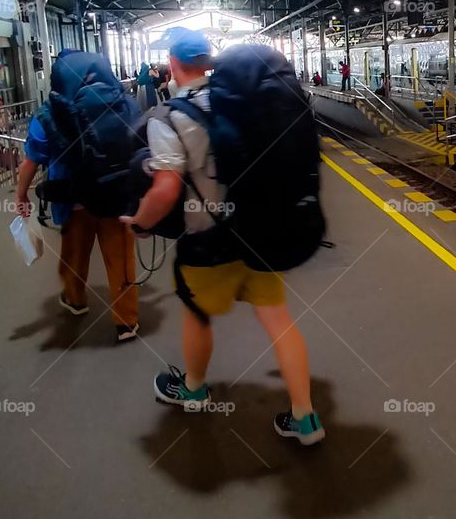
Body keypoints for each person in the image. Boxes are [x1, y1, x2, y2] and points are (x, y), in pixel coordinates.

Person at [124, 28, 324, 444]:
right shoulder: (243, 101)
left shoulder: (169, 117)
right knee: (279, 321)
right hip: (257, 230)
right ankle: (305, 418)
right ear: (209, 62)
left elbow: (164, 190)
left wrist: (141, 223)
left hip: (206, 241)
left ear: (174, 65)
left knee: (198, 315)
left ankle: (194, 388)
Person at [14, 50, 140, 343]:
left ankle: (75, 300)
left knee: (73, 256)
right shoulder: (125, 103)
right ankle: (126, 321)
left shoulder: (49, 113)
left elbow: (31, 160)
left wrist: (21, 195)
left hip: (73, 200)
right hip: (116, 198)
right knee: (120, 260)